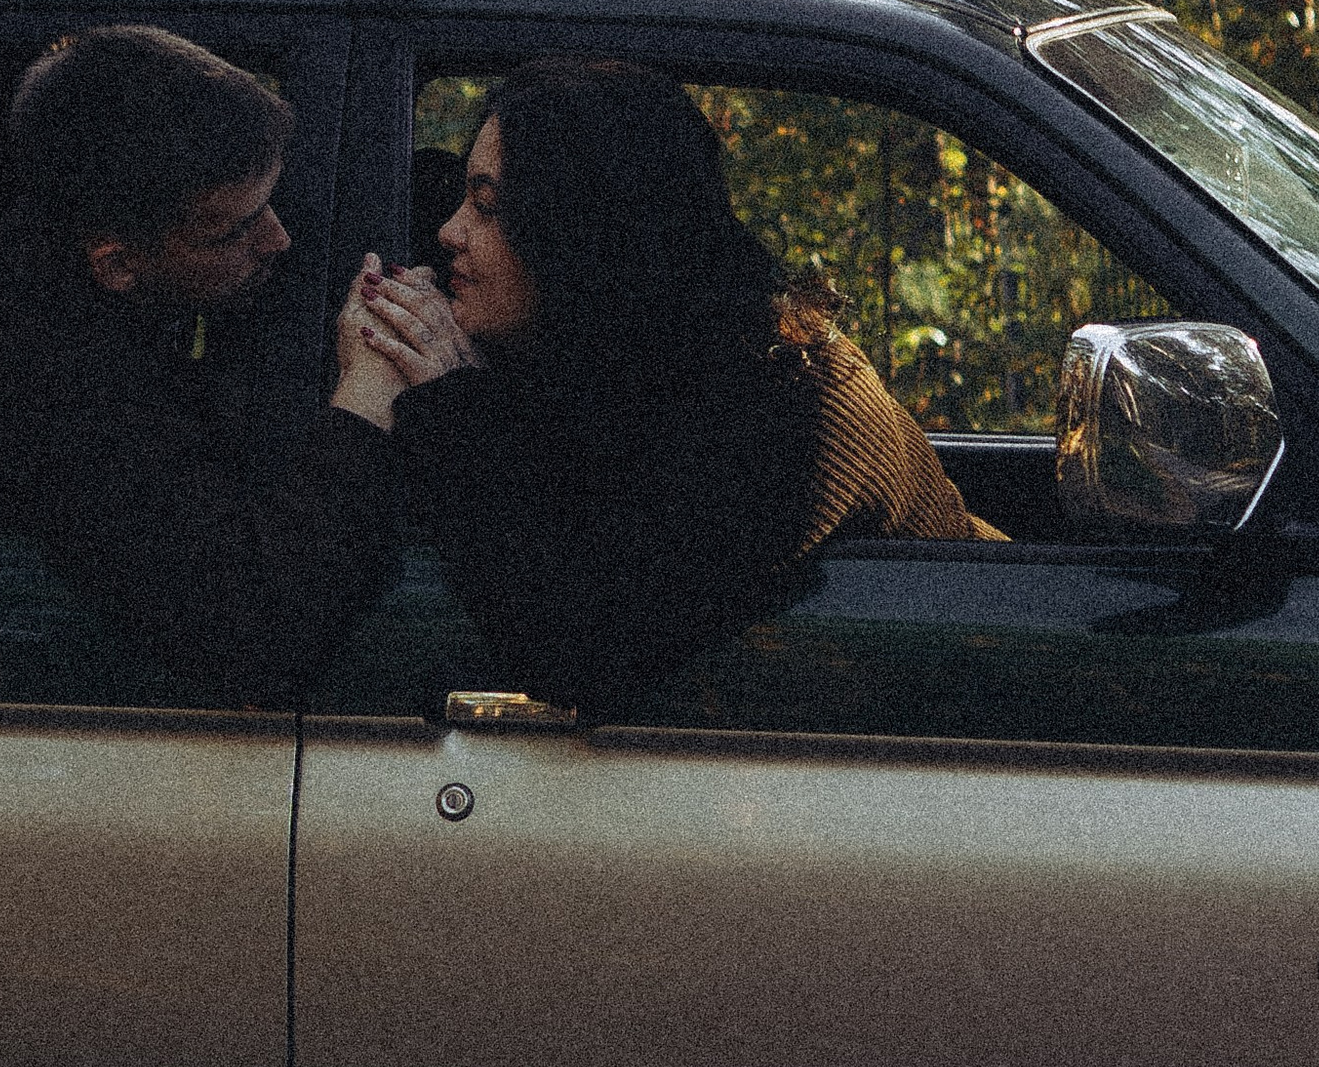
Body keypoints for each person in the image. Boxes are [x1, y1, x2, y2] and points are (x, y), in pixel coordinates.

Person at [351, 58, 999, 716]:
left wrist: (450, 403)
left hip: (979, 698)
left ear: (587, 235)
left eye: (488, 206)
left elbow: (580, 653)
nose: (449, 231)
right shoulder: (622, 347)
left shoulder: (786, 408)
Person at [0, 23, 439, 703]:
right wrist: (367, 400)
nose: (279, 239)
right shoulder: (50, 386)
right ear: (118, 264)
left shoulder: (85, 271)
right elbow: (251, 636)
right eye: (235, 228)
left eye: (272, 203)